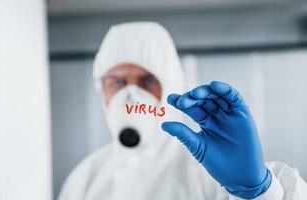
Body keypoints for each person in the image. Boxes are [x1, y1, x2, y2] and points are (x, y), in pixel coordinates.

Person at [58, 22, 307, 200]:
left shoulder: (208, 170)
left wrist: (257, 191)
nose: (130, 96)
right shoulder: (85, 177)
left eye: (146, 81)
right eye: (116, 82)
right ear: (101, 90)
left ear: (171, 84)